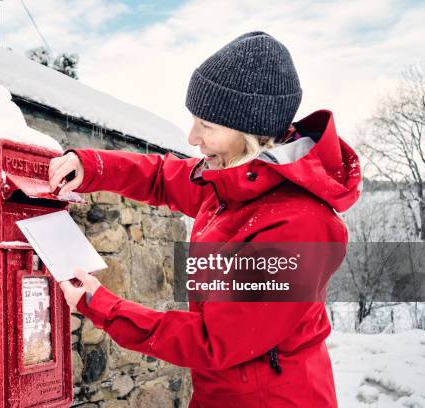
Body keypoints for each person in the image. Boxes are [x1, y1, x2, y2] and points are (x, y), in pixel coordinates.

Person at [49, 31, 361, 407]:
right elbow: (162, 177)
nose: (192, 137)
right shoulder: (236, 180)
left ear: (249, 132)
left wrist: (101, 304)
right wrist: (92, 166)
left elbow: (213, 341)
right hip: (222, 394)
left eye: (207, 126)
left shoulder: (298, 228)